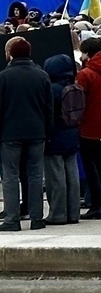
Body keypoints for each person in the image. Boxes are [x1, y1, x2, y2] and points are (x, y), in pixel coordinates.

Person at [0, 36, 54, 231]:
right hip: (37, 132)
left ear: (10, 54)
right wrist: (47, 132)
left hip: (10, 134)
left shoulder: (4, 76)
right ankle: (37, 218)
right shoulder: (42, 75)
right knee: (35, 175)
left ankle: (12, 219)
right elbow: (49, 108)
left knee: (10, 175)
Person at [74, 36, 101, 219]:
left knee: (90, 166)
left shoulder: (85, 74)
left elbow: (79, 101)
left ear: (86, 53)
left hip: (88, 123)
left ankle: (97, 205)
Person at [41, 53, 82, 227]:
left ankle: (58, 213)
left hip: (55, 135)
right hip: (72, 133)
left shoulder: (51, 89)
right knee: (72, 175)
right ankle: (73, 212)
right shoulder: (75, 87)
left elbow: (47, 113)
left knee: (55, 177)